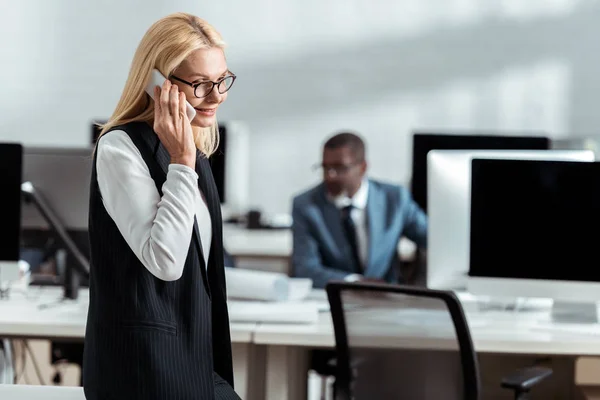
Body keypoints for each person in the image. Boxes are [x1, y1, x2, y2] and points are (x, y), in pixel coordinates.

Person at [83, 13, 240, 400]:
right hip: (145, 369)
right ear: (159, 85)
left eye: (222, 80)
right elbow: (166, 261)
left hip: (194, 357)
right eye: (201, 84)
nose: (217, 96)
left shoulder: (193, 150)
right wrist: (182, 161)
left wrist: (186, 156)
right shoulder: (121, 147)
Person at [291, 132, 428, 289]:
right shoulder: (306, 205)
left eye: (339, 167)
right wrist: (355, 282)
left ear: (363, 167)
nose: (330, 176)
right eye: (325, 167)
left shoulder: (395, 199)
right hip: (331, 297)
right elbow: (305, 269)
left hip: (387, 298)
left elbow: (433, 238)